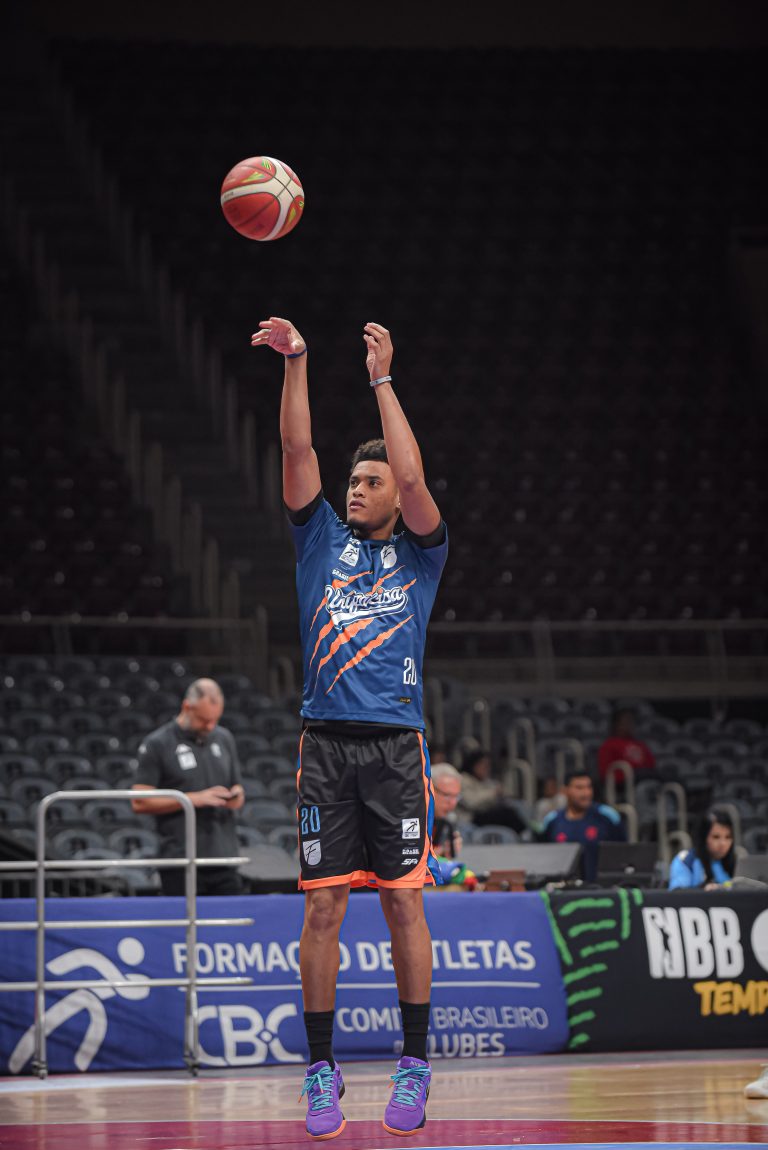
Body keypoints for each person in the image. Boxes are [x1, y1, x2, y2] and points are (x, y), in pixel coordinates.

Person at [252, 316, 448, 1140]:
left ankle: (414, 1064)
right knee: (324, 911)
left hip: (396, 749)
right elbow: (296, 451)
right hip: (326, 746)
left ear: (396, 496)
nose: (356, 490)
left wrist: (381, 380)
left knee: (404, 909)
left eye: (371, 481)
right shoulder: (319, 542)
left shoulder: (422, 555)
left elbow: (412, 472)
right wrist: (297, 362)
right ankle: (321, 1071)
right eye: (353, 481)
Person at [131, 678, 245, 896]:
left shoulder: (224, 738)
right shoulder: (158, 743)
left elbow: (237, 787)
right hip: (180, 861)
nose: (210, 727)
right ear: (187, 707)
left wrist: (235, 796)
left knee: (231, 918)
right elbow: (139, 801)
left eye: (215, 720)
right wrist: (192, 799)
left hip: (224, 858)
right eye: (204, 720)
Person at [540, 769, 626, 882]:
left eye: (588, 787)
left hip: (601, 888)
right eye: (579, 788)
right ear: (565, 791)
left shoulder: (608, 816)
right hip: (562, 889)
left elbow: (623, 853)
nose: (586, 793)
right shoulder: (552, 820)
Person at [458, 748, 528, 836]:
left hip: (487, 815)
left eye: (488, 766)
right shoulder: (463, 779)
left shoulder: (487, 781)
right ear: (473, 765)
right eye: (483, 765)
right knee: (507, 814)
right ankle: (526, 834)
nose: (486, 769)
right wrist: (493, 793)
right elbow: (471, 802)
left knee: (514, 808)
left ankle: (526, 833)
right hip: (471, 818)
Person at [668, 806, 735, 890]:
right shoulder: (686, 860)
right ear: (703, 838)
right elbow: (676, 893)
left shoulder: (735, 862)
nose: (723, 843)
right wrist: (703, 890)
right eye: (716, 837)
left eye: (728, 837)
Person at [598, 706, 657, 785]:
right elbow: (606, 774)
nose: (630, 725)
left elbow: (651, 766)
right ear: (617, 724)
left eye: (631, 721)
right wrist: (630, 775)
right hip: (624, 785)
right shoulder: (608, 745)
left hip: (645, 781)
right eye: (626, 721)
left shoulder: (640, 744)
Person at [430, 763, 463, 860]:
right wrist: (434, 855)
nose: (453, 803)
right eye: (447, 795)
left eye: (456, 796)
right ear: (429, 789)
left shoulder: (447, 822)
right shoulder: (411, 819)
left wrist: (445, 854)